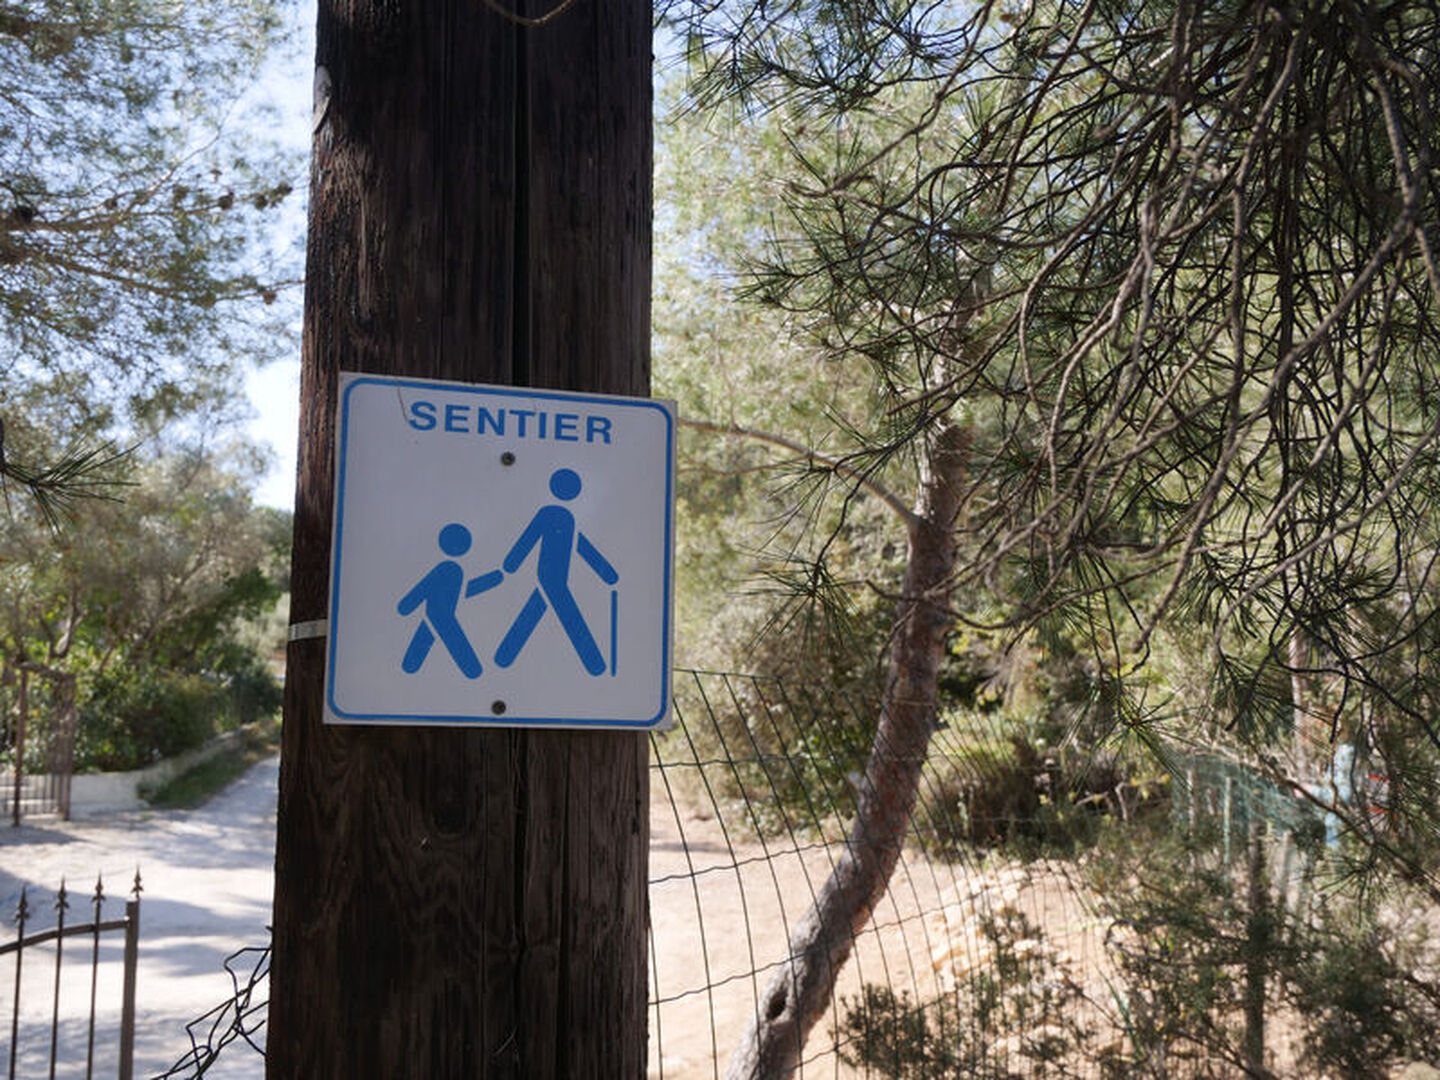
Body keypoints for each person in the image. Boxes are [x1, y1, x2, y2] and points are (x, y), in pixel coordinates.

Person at [495, 468, 618, 675]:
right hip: (550, 577)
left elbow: (580, 545)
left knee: (536, 609)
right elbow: (532, 538)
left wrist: (606, 573)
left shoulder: (566, 518)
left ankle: (503, 657)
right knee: (565, 613)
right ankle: (595, 664)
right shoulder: (555, 515)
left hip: (553, 576)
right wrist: (511, 563)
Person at [397, 522, 502, 678]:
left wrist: (491, 580)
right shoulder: (449, 569)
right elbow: (424, 589)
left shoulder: (451, 570)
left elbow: (463, 590)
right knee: (457, 647)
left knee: (426, 643)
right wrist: (406, 606)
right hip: (441, 616)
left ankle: (408, 670)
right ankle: (473, 672)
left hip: (437, 614)